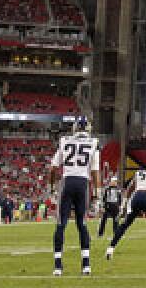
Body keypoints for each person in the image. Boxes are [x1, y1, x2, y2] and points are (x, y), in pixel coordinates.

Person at [49, 116, 100, 276]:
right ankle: (86, 265)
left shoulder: (64, 141)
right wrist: (97, 195)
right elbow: (95, 172)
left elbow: (53, 167)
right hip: (83, 184)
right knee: (82, 224)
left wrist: (52, 187)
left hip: (67, 182)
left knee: (60, 224)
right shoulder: (94, 144)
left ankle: (58, 266)